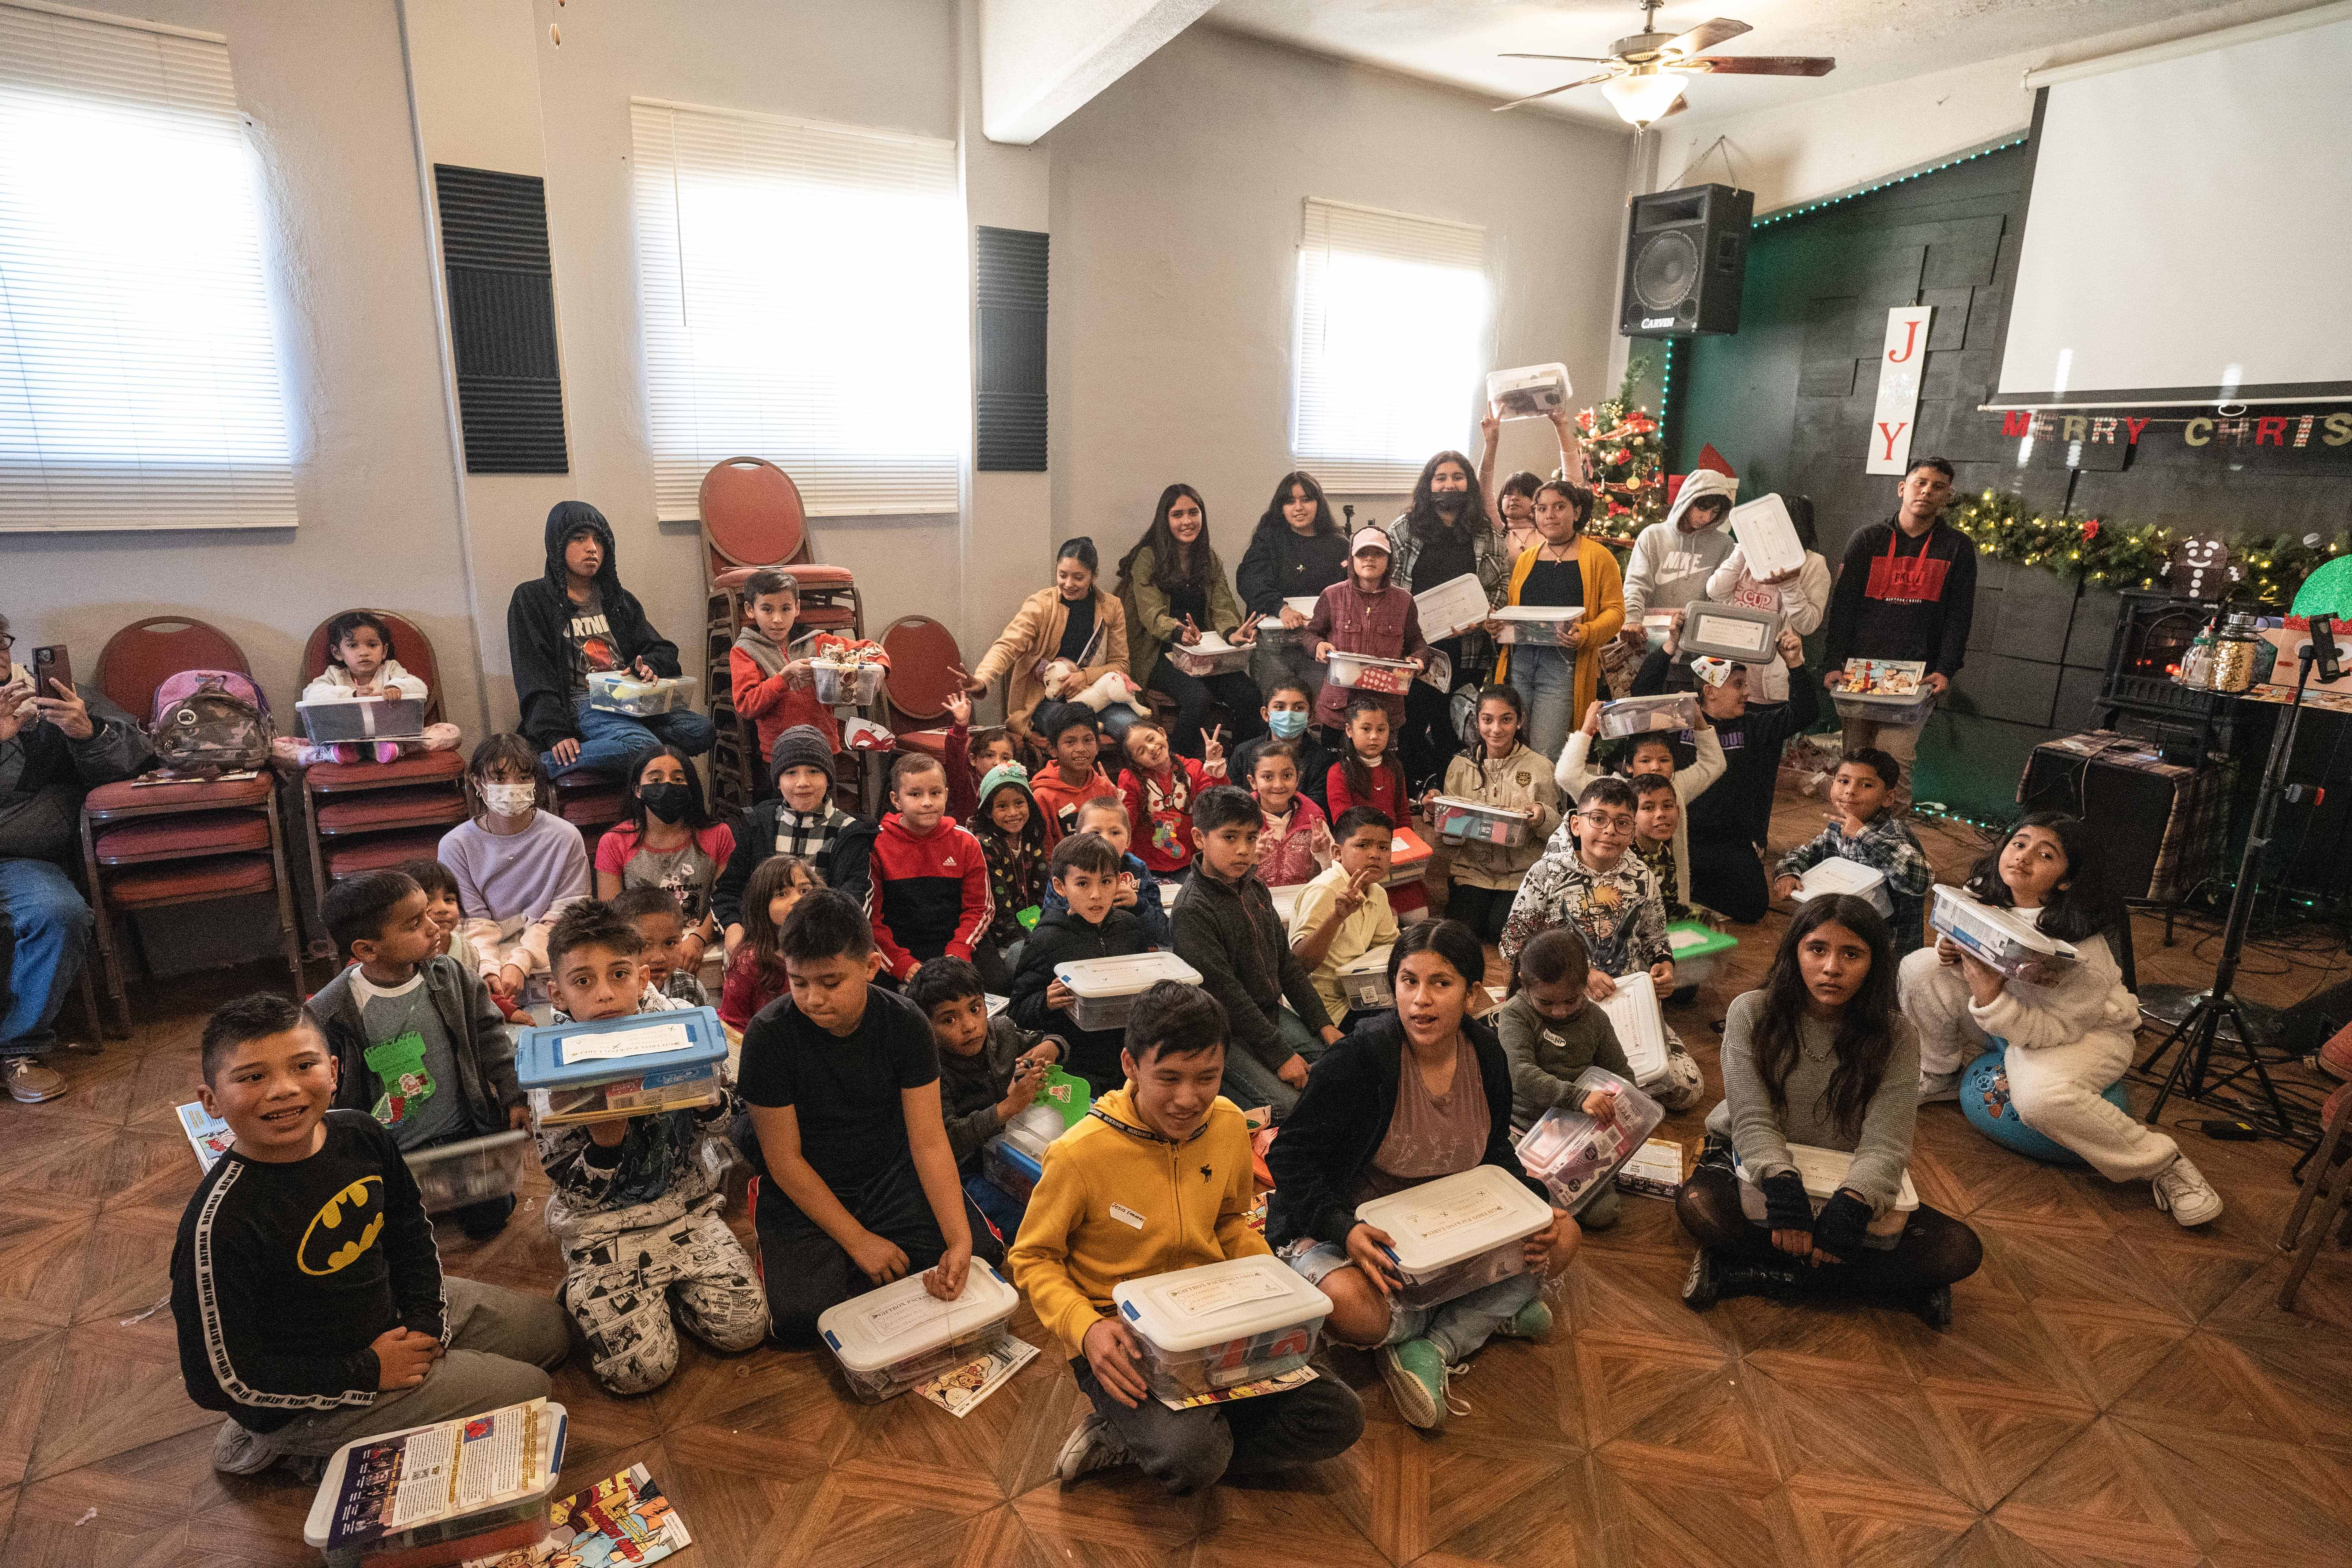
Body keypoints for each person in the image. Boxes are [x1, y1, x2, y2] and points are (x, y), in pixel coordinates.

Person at [172, 993, 567, 1475]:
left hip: (388, 1313)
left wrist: (425, 1321)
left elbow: (409, 1232)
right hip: (319, 1389)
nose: (284, 1090)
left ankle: (423, 1376)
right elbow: (214, 1380)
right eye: (253, 1077)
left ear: (334, 1072)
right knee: (529, 1391)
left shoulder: (360, 1132)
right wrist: (370, 1371)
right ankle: (282, 1446)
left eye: (303, 1066)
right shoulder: (219, 1223)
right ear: (210, 1101)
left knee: (552, 1332)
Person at [1013, 983, 1365, 1492]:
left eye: (1208, 1077)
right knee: (1196, 1458)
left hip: (1213, 1325)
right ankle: (1154, 1433)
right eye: (1169, 1078)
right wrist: (1085, 1328)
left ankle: (1152, 1438)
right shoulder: (1078, 1155)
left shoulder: (1225, 1125)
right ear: (1131, 1065)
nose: (1188, 1099)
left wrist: (1272, 1288)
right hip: (1123, 1341)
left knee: (1338, 1417)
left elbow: (1229, 1223)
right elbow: (1033, 1257)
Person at [1266, 921, 1577, 1429]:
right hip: (1358, 1228)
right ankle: (1484, 1312)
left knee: (1562, 1235)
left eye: (1441, 983)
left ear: (1473, 993)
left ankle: (1432, 1342)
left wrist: (1535, 1203)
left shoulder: (1487, 1055)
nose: (1421, 1001)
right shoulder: (1360, 1061)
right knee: (1353, 1308)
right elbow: (1291, 1158)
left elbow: (1495, 1150)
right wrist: (1346, 1229)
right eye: (1409, 981)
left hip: (1447, 1224)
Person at [1901, 814, 2223, 1225]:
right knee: (1920, 967)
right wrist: (1950, 951)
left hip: (2082, 1033)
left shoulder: (2083, 951)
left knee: (2039, 1100)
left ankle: (2163, 1163)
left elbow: (2054, 1031)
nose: (2024, 857)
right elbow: (1963, 948)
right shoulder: (1986, 896)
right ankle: (1940, 1073)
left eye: (2046, 854)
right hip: (2008, 1017)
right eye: (2019, 843)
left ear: (2066, 880)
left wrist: (1989, 996)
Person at [1677, 897, 1983, 1325]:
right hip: (1755, 1163)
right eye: (1817, 949)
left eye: (1852, 954)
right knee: (1699, 1204)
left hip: (1842, 1171)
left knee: (1958, 1250)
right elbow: (1751, 1118)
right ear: (1794, 952)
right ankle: (1878, 1289)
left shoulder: (1898, 1034)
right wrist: (1782, 1185)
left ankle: (1755, 1272)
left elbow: (1887, 1139)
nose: (1832, 968)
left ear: (1875, 963)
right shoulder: (1750, 1012)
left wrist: (1854, 1203)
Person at [736, 889, 993, 1341]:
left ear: (871, 967)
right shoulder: (768, 1036)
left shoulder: (906, 1022)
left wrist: (960, 1241)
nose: (814, 998)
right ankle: (860, 1262)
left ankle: (874, 1265)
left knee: (981, 1258)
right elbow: (785, 1161)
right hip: (807, 1177)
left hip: (888, 1169)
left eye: (831, 982)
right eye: (799, 982)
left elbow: (929, 1141)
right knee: (801, 1319)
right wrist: (858, 1240)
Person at [536, 902, 765, 1394]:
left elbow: (729, 1120)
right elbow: (570, 1190)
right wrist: (605, 1144)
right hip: (601, 1227)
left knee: (745, 1329)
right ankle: (595, 1289)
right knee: (639, 1373)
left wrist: (705, 1100)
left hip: (687, 1210)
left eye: (619, 974)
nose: (604, 994)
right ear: (556, 992)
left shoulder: (682, 1024)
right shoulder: (549, 1063)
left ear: (642, 978)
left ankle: (665, 1295)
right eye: (582, 981)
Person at [312, 870, 528, 1240]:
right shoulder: (333, 1008)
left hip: (462, 1134)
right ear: (366, 950)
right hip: (391, 1150)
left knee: (492, 1217)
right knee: (390, 1234)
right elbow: (320, 1080)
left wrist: (513, 1094)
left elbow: (491, 1034)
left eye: (429, 915)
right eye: (415, 924)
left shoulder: (452, 976)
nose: (434, 928)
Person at [0, 615, 148, 1101]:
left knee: (58, 912)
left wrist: (89, 732)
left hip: (21, 860)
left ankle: (18, 1049)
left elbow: (138, 755)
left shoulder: (52, 694)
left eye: (0, 643)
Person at [1500, 777, 1704, 1110]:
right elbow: (1512, 942)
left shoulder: (1642, 877)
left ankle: (1588, 1093)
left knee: (1687, 1089)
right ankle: (1574, 1093)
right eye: (1599, 819)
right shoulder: (1546, 874)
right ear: (1577, 824)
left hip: (1625, 1004)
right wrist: (1584, 975)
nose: (1610, 831)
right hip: (1560, 1006)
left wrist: (1665, 964)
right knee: (1528, 1075)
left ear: (1633, 830)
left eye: (1622, 823)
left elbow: (1656, 937)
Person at [507, 499, 714, 780]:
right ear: (558, 545)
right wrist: (555, 732)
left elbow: (661, 649)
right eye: (580, 539)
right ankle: (539, 766)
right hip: (583, 705)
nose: (592, 548)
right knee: (645, 748)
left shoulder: (620, 600)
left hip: (631, 700)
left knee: (702, 730)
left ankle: (622, 746)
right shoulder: (532, 600)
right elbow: (533, 676)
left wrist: (650, 664)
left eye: (599, 541)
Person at [1171, 786, 1340, 1116]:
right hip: (1222, 1033)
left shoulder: (1255, 887)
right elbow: (1226, 996)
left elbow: (1287, 967)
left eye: (1251, 838)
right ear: (1199, 838)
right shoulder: (1193, 909)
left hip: (1268, 1014)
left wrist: (1324, 1024)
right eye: (1230, 838)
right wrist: (1281, 1057)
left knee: (1338, 1071)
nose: (1242, 850)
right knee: (1289, 1108)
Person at [1633, 629, 1819, 924]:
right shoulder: (1675, 722)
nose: (1747, 692)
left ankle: (1693, 893)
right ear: (1710, 691)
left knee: (1753, 908)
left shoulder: (1753, 726)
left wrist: (1795, 663)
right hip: (1679, 835)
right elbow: (1639, 694)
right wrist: (1671, 645)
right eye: (1738, 685)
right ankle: (1686, 892)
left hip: (1729, 840)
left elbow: (1805, 712)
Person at [1822, 457, 1978, 811]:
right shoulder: (1868, 539)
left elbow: (1959, 615)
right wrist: (1833, 662)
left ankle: (1893, 848)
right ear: (1902, 488)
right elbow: (1843, 608)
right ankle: (1849, 839)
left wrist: (1947, 668)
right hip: (1860, 672)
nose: (1927, 491)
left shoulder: (1957, 547)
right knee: (1855, 765)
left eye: (1938, 486)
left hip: (1915, 677)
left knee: (1897, 763)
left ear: (1948, 496)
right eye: (1920, 482)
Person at [907, 956, 1065, 1244]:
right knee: (1025, 1226)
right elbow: (947, 1139)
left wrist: (1051, 1047)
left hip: (1019, 1152)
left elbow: (1052, 1040)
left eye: (975, 1009)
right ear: (926, 1026)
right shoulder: (929, 1069)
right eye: (949, 1019)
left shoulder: (1001, 1032)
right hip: (968, 1169)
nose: (969, 1026)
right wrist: (1009, 1108)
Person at [438, 734, 590, 1018]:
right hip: (480, 954)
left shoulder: (565, 837)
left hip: (551, 948)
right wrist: (487, 966)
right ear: (476, 782)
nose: (512, 787)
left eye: (523, 777)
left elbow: (568, 913)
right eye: (498, 778)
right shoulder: (455, 845)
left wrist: (523, 959)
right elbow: (469, 919)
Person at [1492, 928, 1633, 1229]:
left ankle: (1546, 1199)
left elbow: (1621, 1075)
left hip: (1579, 1135)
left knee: (1604, 1213)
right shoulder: (1516, 1014)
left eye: (1571, 1001)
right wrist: (1580, 1099)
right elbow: (1521, 1075)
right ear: (1523, 982)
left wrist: (1626, 1111)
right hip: (1524, 1130)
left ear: (1585, 985)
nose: (1559, 1012)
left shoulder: (1596, 1019)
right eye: (1546, 1003)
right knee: (1511, 1202)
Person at [1385, 452, 1506, 791]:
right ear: (1429, 484)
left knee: (1454, 726)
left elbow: (1502, 584)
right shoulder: (1404, 529)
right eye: (1441, 477)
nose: (1449, 484)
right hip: (1416, 650)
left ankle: (1453, 796)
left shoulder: (1486, 532)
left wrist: (1484, 617)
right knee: (1409, 726)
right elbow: (1389, 584)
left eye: (1457, 477)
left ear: (1469, 484)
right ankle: (1413, 795)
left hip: (1467, 648)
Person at [1117, 486, 1264, 760]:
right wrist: (1178, 631)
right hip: (1158, 652)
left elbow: (1223, 606)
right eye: (1178, 515)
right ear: (1166, 520)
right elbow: (1151, 614)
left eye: (1193, 513)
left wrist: (1233, 634)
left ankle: (1243, 768)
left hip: (1202, 651)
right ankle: (1174, 765)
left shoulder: (1209, 558)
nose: (1187, 521)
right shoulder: (1147, 558)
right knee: (1198, 699)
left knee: (1249, 695)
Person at [1553, 695, 1725, 922]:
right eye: (1645, 761)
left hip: (1668, 901)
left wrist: (1698, 720)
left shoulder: (1677, 787)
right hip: (1617, 906)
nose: (1655, 767)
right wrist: (1587, 728)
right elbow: (1566, 775)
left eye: (1664, 760)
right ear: (1630, 767)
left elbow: (1715, 764)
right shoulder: (1614, 792)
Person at [1490, 479, 1624, 761]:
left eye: (1559, 507)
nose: (1549, 515)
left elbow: (1615, 613)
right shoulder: (1526, 560)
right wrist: (1498, 626)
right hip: (1521, 662)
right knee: (1512, 745)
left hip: (1564, 665)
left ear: (1576, 512)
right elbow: (1515, 611)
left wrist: (1586, 633)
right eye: (1542, 509)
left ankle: (1543, 805)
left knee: (1546, 750)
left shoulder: (1600, 558)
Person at [1010, 831, 1152, 1095]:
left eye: (1106, 881)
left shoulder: (1130, 928)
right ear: (1061, 886)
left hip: (1131, 1055)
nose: (1096, 895)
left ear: (1120, 881)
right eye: (1083, 884)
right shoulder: (1046, 938)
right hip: (1076, 1060)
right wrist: (1046, 1001)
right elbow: (1017, 1009)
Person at [712, 726, 875, 955]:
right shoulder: (754, 825)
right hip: (760, 949)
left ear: (829, 779)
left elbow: (853, 902)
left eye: (814, 772)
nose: (803, 783)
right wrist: (733, 929)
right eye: (791, 773)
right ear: (777, 782)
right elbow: (727, 891)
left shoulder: (850, 833)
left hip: (824, 949)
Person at [967, 537, 1136, 745]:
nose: (1068, 584)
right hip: (1047, 700)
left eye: (1078, 578)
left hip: (1100, 696)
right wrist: (983, 678)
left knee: (1137, 733)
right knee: (1075, 733)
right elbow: (1008, 645)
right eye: (1062, 575)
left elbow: (1121, 665)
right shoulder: (1042, 604)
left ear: (1094, 575)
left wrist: (1084, 677)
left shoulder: (1111, 606)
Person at [1773, 749, 1931, 956]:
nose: (1850, 791)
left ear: (1888, 798)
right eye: (1844, 781)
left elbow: (1921, 880)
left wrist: (1863, 834)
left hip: (1886, 946)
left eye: (1866, 785)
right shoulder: (1838, 827)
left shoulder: (1893, 832)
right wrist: (1787, 873)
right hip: (1843, 929)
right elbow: (1803, 854)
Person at [1439, 685, 1561, 943]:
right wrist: (1441, 815)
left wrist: (1542, 816)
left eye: (1506, 719)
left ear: (1520, 721)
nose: (1496, 729)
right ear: (1477, 720)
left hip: (1521, 874)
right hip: (1473, 871)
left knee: (1502, 933)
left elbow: (1557, 835)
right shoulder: (1461, 766)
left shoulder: (1540, 768)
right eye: (1488, 720)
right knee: (1462, 934)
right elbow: (1452, 840)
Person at [594, 743, 733, 962]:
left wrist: (699, 939)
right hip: (639, 951)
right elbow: (611, 915)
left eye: (678, 779)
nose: (667, 786)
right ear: (638, 790)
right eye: (655, 779)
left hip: (704, 945)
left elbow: (727, 899)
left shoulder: (718, 835)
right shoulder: (614, 841)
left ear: (690, 788)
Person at [865, 753, 991, 988]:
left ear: (946, 793)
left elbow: (980, 908)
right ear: (896, 799)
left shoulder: (966, 842)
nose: (927, 802)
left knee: (997, 986)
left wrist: (959, 952)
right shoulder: (875, 844)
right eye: (915, 794)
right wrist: (902, 964)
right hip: (900, 948)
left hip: (957, 942)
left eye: (935, 793)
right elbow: (870, 918)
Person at [1704, 494, 1831, 704]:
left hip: (1771, 681)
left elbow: (1808, 625)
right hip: (1726, 677)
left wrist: (1789, 585)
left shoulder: (1813, 565)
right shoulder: (1745, 555)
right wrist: (1743, 550)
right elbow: (1715, 592)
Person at [1306, 528, 1432, 738]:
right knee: (1336, 766)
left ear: (1389, 560)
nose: (1369, 559)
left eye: (1378, 554)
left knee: (1380, 768)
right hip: (1339, 708)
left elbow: (1417, 642)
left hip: (1384, 711)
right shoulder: (1332, 595)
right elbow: (1311, 634)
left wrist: (1419, 658)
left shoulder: (1404, 601)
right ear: (1352, 559)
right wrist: (1318, 645)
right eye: (1362, 554)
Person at [1235, 470, 1349, 699]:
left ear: (1319, 504)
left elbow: (1347, 593)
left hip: (1319, 644)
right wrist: (1281, 608)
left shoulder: (1338, 544)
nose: (1298, 508)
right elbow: (1249, 579)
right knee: (1279, 707)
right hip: (1274, 645)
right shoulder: (1268, 539)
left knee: (1320, 707)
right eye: (1290, 502)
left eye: (1306, 500)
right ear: (1281, 508)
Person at [1617, 466, 1740, 671]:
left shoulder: (1725, 544)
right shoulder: (1653, 536)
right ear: (1687, 500)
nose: (1707, 517)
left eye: (1715, 513)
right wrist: (1632, 618)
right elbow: (1636, 584)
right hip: (1650, 642)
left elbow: (1722, 596)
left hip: (1697, 646)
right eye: (1702, 508)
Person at [1288, 808, 1399, 1032]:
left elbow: (1388, 947)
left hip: (1360, 994)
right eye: (1363, 845)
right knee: (1401, 1027)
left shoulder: (1377, 892)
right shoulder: (1325, 889)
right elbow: (1299, 965)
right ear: (1337, 853)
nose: (1375, 854)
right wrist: (1337, 917)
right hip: (1324, 1008)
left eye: (1383, 847)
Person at [729, 569, 838, 763]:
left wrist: (881, 667)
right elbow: (747, 705)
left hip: (824, 746)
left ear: (797, 608)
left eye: (786, 609)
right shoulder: (744, 651)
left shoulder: (817, 641)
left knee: (826, 795)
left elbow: (867, 649)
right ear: (750, 610)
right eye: (767, 609)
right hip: (779, 752)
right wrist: (784, 677)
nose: (777, 619)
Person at [1035, 796, 1171, 951]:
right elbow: (1047, 923)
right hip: (1078, 948)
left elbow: (1163, 932)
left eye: (1115, 832)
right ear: (1078, 838)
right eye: (1096, 832)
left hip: (1129, 949)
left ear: (1128, 840)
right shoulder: (1067, 870)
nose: (1106, 839)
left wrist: (1137, 904)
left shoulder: (1138, 868)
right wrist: (1080, 903)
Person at [302, 610, 430, 764]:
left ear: (384, 651)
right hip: (345, 740)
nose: (364, 652)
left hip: (391, 737)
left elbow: (420, 687)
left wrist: (396, 687)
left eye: (372, 645)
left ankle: (385, 750)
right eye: (353, 646)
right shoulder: (335, 674)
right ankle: (347, 752)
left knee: (451, 733)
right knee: (281, 747)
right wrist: (352, 695)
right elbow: (311, 694)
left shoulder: (390, 669)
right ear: (337, 653)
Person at [1118, 714, 1227, 880]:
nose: (1151, 748)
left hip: (1191, 863)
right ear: (1135, 761)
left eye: (1151, 739)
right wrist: (1118, 806)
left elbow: (1217, 811)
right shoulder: (1130, 778)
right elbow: (1127, 826)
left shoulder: (1194, 768)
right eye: (1141, 751)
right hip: (1146, 867)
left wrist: (1217, 773)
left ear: (1162, 732)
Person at [972, 762, 1049, 992]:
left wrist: (1038, 928)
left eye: (1019, 803)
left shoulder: (1031, 836)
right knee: (1019, 958)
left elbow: (1041, 887)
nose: (1013, 813)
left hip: (1029, 920)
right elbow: (998, 902)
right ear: (988, 811)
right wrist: (1018, 938)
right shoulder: (986, 845)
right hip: (1000, 932)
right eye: (1002, 806)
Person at [718, 855, 817, 1033]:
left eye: (805, 891)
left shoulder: (828, 951)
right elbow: (733, 1025)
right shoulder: (748, 960)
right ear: (761, 905)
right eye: (781, 894)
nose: (797, 899)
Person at [1477, 405, 1586, 562]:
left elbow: (1573, 485)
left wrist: (1561, 427)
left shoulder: (1549, 530)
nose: (1514, 498)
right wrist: (1491, 443)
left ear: (1537, 504)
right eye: (1508, 494)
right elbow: (1484, 491)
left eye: (1522, 494)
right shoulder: (1498, 532)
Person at [1231, 679, 1336, 814]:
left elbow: (1314, 812)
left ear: (1310, 716)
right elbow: (1233, 805)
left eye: (1299, 708)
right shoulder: (1243, 753)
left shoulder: (1324, 761)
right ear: (1265, 714)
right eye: (1280, 707)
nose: (1289, 715)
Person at [1028, 702, 1118, 840]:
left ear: (1098, 745)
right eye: (1070, 742)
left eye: (1088, 740)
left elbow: (1118, 835)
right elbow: (1045, 848)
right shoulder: (1043, 796)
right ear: (1053, 749)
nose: (1081, 749)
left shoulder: (1106, 789)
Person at [1249, 740, 1333, 889]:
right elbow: (1226, 878)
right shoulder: (1240, 823)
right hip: (1253, 905)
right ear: (1253, 782)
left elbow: (1333, 875)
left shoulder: (1314, 822)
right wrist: (1250, 859)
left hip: (1303, 902)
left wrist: (1324, 855)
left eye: (1287, 776)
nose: (1278, 785)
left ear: (1298, 780)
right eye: (1268, 777)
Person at [612, 884, 711, 1008]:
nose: (659, 958)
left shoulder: (691, 988)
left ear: (681, 939)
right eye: (645, 945)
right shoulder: (609, 995)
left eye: (669, 943)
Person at [402, 857, 486, 982]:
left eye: (449, 900)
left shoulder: (469, 951)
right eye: (428, 901)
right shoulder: (405, 956)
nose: (442, 909)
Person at [1325, 693, 1406, 824]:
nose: (1374, 736)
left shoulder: (1394, 767)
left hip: (1395, 841)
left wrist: (1410, 841)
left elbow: (1403, 815)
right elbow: (1344, 823)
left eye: (1381, 730)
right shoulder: (1339, 772)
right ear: (1349, 730)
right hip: (1358, 841)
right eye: (1366, 729)